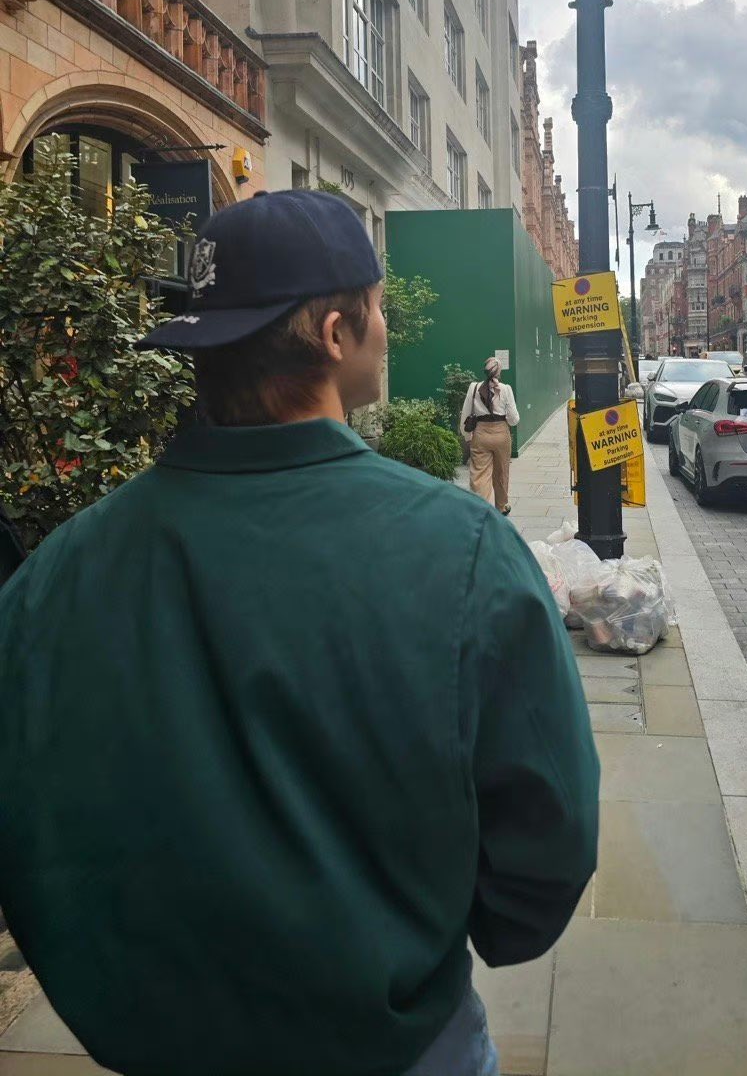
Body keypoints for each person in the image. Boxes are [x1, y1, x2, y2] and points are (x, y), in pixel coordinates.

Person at [0, 190, 598, 1076]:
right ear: (334, 333)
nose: (387, 329)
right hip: (392, 1047)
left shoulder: (56, 571)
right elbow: (547, 846)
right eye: (381, 309)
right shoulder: (464, 549)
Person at [461, 356, 519, 515]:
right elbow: (514, 420)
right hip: (501, 434)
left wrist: (467, 437)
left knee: (479, 473)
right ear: (499, 372)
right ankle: (501, 506)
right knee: (501, 472)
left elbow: (465, 415)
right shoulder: (506, 389)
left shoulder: (473, 387)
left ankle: (482, 508)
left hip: (480, 434)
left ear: (484, 371)